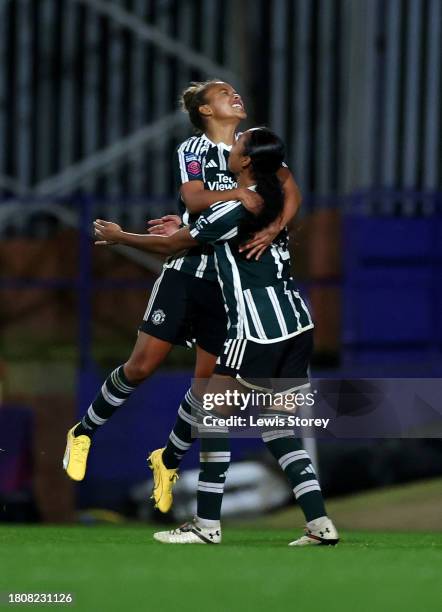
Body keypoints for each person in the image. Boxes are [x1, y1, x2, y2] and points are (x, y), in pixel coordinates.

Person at [93, 127, 339, 547]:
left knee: (210, 414)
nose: (234, 142)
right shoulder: (270, 199)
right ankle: (320, 524)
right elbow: (198, 229)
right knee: (278, 427)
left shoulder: (235, 208)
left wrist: (120, 237)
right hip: (297, 326)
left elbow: (173, 246)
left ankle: (206, 524)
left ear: (244, 161)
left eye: (240, 142)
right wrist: (188, 223)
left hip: (257, 330)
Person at [63, 80, 300, 499]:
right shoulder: (194, 150)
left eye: (235, 91)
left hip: (229, 285)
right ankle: (83, 432)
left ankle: (168, 459)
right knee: (141, 366)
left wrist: (276, 225)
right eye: (225, 94)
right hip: (188, 269)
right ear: (207, 111)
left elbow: (289, 189)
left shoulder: (254, 147)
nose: (236, 96)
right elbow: (193, 200)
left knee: (206, 386)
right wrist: (246, 195)